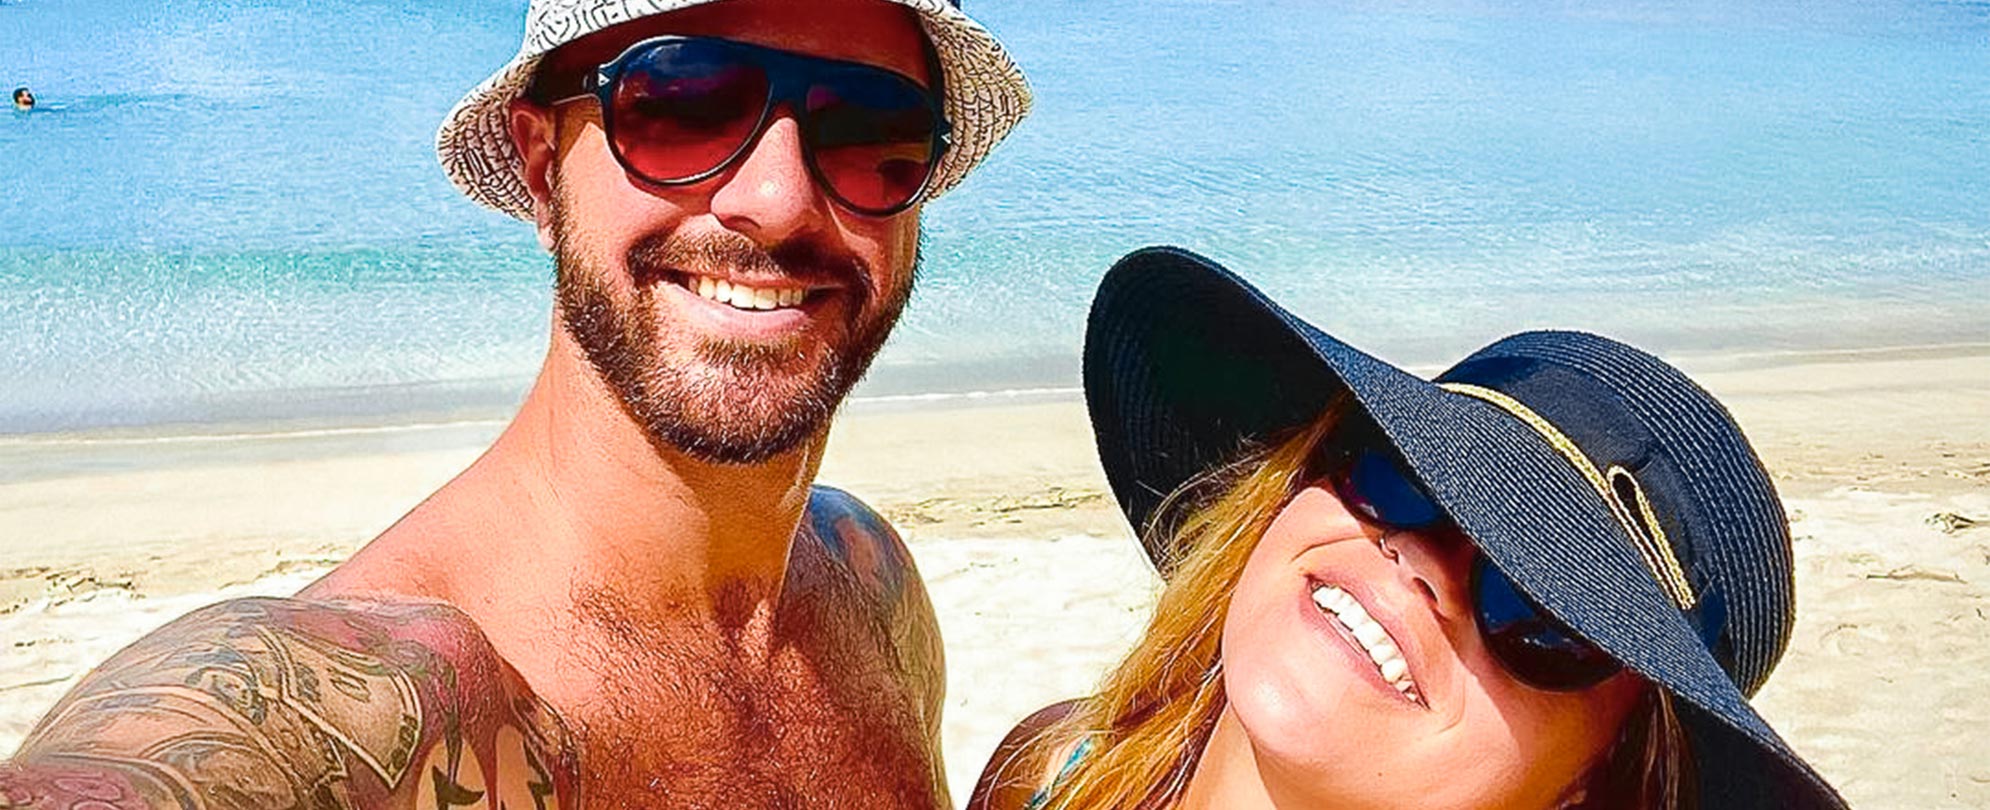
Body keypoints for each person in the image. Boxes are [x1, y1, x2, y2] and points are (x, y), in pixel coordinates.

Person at [0, 0, 1028, 807]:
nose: (779, 198)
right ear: (542, 171)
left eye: (869, 132)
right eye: (683, 105)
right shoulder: (379, 697)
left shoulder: (869, 584)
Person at [971, 247, 1848, 809]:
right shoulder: (1052, 771)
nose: (1423, 562)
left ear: (1587, 788)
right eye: (1398, 473)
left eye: (1544, 608)